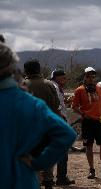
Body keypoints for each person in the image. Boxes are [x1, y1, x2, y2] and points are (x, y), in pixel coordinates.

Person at [0, 42, 76, 189]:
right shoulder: (35, 97)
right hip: (22, 178)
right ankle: (48, 180)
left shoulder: (25, 85)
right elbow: (66, 132)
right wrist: (38, 163)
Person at [23, 59, 62, 189]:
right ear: (39, 70)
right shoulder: (49, 84)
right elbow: (56, 105)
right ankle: (48, 181)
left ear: (26, 70)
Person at [72, 67, 101, 179]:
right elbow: (74, 106)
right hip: (87, 122)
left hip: (99, 121)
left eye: (92, 76)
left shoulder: (99, 88)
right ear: (84, 77)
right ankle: (91, 170)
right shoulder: (79, 90)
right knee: (88, 146)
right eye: (88, 76)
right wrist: (83, 114)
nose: (91, 78)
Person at [50, 69, 75, 185]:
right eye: (63, 78)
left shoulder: (57, 88)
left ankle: (59, 177)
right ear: (57, 78)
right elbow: (56, 106)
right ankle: (61, 178)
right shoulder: (54, 87)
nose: (65, 80)